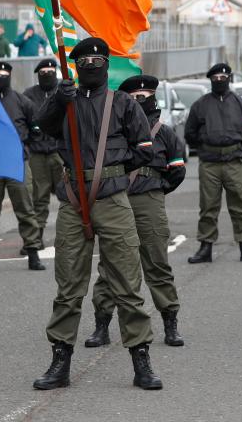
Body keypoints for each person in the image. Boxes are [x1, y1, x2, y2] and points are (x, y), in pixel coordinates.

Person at [33, 37, 162, 391]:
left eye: (96, 59)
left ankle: (141, 361)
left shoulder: (122, 103)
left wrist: (113, 175)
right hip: (74, 201)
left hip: (113, 200)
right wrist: (59, 100)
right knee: (68, 286)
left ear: (106, 63)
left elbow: (144, 150)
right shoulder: (65, 103)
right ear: (74, 65)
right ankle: (60, 362)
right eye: (84, 60)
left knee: (126, 282)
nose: (90, 65)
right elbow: (42, 127)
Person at [86, 75, 187, 349]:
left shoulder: (164, 133)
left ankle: (170, 321)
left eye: (145, 96)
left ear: (153, 98)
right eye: (135, 97)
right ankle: (102, 324)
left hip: (148, 201)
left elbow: (177, 169)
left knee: (156, 262)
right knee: (110, 264)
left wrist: (156, 188)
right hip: (116, 198)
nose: (141, 100)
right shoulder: (115, 131)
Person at [184, 63, 242, 264]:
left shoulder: (239, 103)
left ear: (229, 79)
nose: (219, 81)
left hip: (234, 161)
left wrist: (238, 146)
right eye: (215, 78)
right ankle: (205, 247)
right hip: (209, 163)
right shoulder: (200, 104)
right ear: (211, 80)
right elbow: (189, 134)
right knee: (208, 207)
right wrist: (204, 148)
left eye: (223, 78)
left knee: (240, 205)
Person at [0, 61, 45, 273]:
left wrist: (28, 142)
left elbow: (36, 126)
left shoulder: (22, 101)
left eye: (4, 73)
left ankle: (33, 253)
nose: (1, 76)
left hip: (17, 161)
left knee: (25, 209)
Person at [22, 58, 63, 248]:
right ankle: (35, 238)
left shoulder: (64, 92)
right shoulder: (28, 96)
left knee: (70, 194)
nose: (47, 74)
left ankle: (75, 234)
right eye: (43, 72)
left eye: (51, 71)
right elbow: (22, 122)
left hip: (61, 152)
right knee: (39, 198)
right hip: (37, 154)